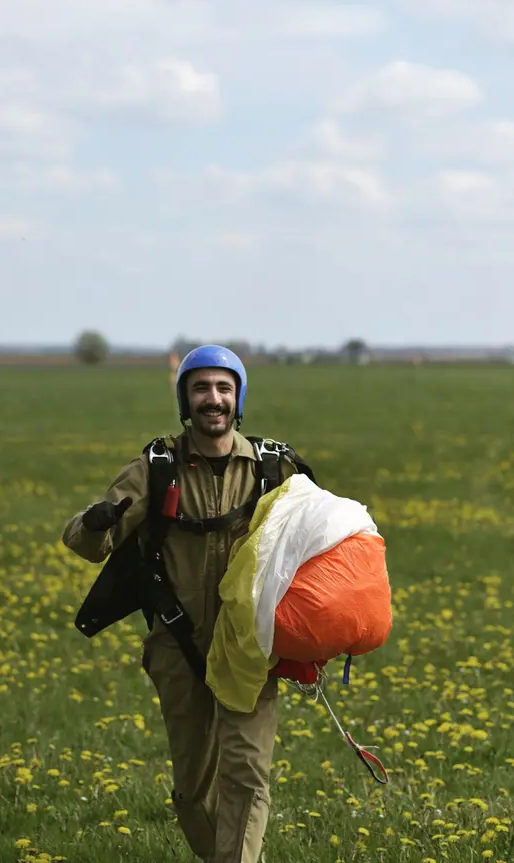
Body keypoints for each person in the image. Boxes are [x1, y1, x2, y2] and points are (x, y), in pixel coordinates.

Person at [61, 345, 306, 863]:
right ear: (185, 399)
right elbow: (85, 544)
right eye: (200, 388)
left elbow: (320, 546)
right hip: (178, 647)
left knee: (246, 776)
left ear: (238, 399)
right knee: (195, 792)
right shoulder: (156, 466)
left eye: (223, 388)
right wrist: (97, 521)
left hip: (249, 648)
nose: (212, 399)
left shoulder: (274, 467)